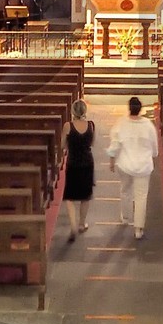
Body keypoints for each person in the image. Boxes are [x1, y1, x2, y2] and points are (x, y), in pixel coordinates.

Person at [108, 94, 160, 239]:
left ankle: (125, 218)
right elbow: (155, 148)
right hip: (143, 165)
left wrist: (112, 159)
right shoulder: (148, 126)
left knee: (125, 191)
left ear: (129, 108)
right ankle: (138, 229)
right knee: (141, 197)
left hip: (125, 164)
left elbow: (115, 143)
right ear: (141, 109)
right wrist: (152, 155)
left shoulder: (121, 123)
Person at [63, 99, 95, 241]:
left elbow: (63, 145)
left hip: (73, 162)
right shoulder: (91, 125)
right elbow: (92, 143)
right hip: (87, 162)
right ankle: (82, 224)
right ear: (85, 111)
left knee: (70, 196)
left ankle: (73, 226)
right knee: (85, 195)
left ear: (73, 111)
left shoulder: (67, 126)